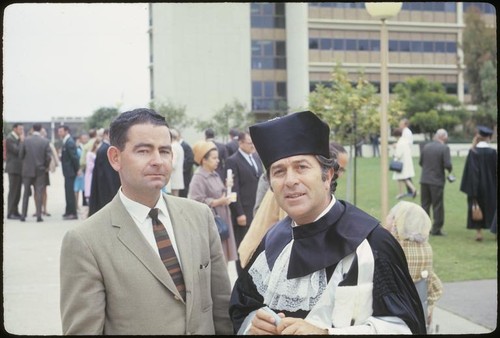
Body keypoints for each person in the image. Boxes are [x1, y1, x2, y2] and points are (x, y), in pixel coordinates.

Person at [229, 110, 426, 335]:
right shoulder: (272, 242)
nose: (290, 180)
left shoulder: (373, 244)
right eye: (279, 171)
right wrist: (252, 326)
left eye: (301, 167)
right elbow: (242, 309)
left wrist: (326, 334)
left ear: (328, 175)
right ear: (271, 185)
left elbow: (406, 328)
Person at [60, 108, 233, 335]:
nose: (157, 161)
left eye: (164, 151)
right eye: (143, 151)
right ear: (115, 158)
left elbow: (221, 308)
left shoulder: (200, 216)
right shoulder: (85, 241)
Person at [238, 141, 349, 269]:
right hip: (261, 258)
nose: (338, 174)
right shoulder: (294, 192)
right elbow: (293, 233)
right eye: (338, 168)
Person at [384, 201, 443, 330]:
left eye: (391, 216)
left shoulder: (393, 247)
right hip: (419, 312)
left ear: (397, 222)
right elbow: (433, 286)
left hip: (393, 313)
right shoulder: (426, 249)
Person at [188, 140, 238, 264]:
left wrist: (227, 187)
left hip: (222, 218)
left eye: (218, 158)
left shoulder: (214, 174)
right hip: (212, 222)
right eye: (214, 158)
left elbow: (220, 193)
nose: (218, 161)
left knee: (224, 257)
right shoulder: (198, 177)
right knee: (216, 258)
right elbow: (195, 201)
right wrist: (217, 202)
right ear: (204, 160)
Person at [225, 131, 263, 276]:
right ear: (240, 143)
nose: (253, 146)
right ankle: (242, 278)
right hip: (243, 213)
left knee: (256, 246)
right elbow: (232, 189)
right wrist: (239, 212)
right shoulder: (232, 161)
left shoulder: (256, 158)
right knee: (243, 247)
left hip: (256, 211)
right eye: (250, 143)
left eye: (254, 143)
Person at [460, 126, 497, 242]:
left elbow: (470, 172)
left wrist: (472, 189)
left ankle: (479, 233)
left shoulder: (473, 152)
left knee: (477, 207)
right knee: (494, 208)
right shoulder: (493, 152)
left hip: (476, 187)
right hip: (492, 187)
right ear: (489, 138)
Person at [419, 129, 453, 236]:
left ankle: (424, 228)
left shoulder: (426, 147)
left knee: (425, 205)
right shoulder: (444, 148)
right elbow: (448, 165)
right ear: (443, 137)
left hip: (424, 179)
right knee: (437, 205)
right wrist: (449, 170)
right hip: (436, 181)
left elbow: (421, 162)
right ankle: (436, 229)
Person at [19, 123, 52, 222]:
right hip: (40, 170)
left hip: (27, 170)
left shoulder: (26, 140)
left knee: (25, 193)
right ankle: (39, 215)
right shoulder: (45, 141)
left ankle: (23, 215)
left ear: (32, 129)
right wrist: (45, 166)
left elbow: (20, 155)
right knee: (39, 192)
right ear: (41, 129)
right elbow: (48, 157)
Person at [88, 128, 121, 217]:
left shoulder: (103, 148)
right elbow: (108, 174)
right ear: (107, 135)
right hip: (106, 186)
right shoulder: (106, 149)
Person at [58, 125, 80, 220]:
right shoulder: (66, 141)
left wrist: (77, 169)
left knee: (70, 193)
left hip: (70, 172)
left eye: (61, 131)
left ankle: (73, 213)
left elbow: (74, 157)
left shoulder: (69, 142)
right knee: (68, 192)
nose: (59, 133)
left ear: (66, 131)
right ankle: (68, 211)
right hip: (68, 172)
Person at [5, 123, 25, 219]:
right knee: (13, 191)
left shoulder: (16, 138)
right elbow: (17, 151)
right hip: (13, 169)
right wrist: (21, 141)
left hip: (19, 169)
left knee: (18, 191)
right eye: (20, 129)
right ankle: (10, 212)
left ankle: (15, 211)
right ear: (15, 129)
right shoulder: (10, 138)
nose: (21, 131)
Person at [392, 127, 417, 199]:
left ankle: (402, 192)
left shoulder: (400, 143)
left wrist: (394, 152)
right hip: (406, 162)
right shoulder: (405, 141)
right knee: (403, 178)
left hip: (401, 163)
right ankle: (412, 189)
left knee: (401, 178)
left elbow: (398, 155)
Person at [168, 128, 185, 196]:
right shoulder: (179, 146)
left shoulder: (173, 147)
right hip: (178, 176)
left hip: (173, 177)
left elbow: (173, 164)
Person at [178, 129, 194, 198]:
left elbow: (190, 160)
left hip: (185, 174)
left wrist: (183, 169)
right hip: (182, 173)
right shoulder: (181, 145)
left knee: (184, 192)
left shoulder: (185, 146)